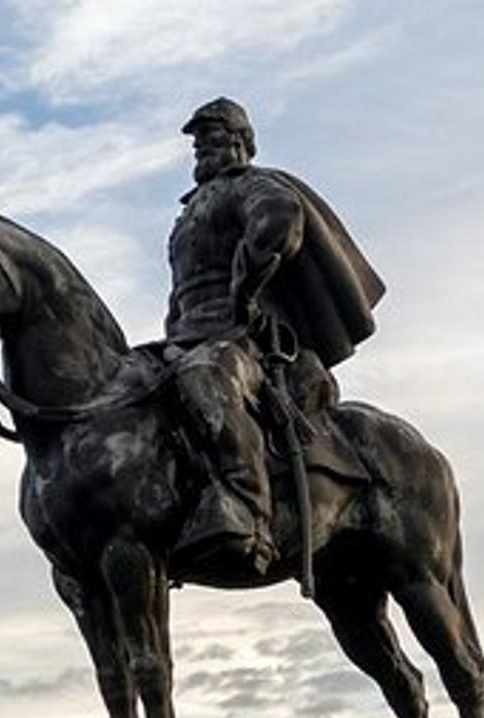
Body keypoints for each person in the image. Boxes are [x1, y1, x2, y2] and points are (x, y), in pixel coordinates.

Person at [162, 97, 386, 572]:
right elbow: (181, 292)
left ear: (242, 141)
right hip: (188, 338)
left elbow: (280, 219)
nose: (202, 145)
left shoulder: (252, 186)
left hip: (248, 341)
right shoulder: (188, 214)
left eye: (213, 135)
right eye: (198, 139)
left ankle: (247, 508)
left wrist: (246, 291)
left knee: (207, 377)